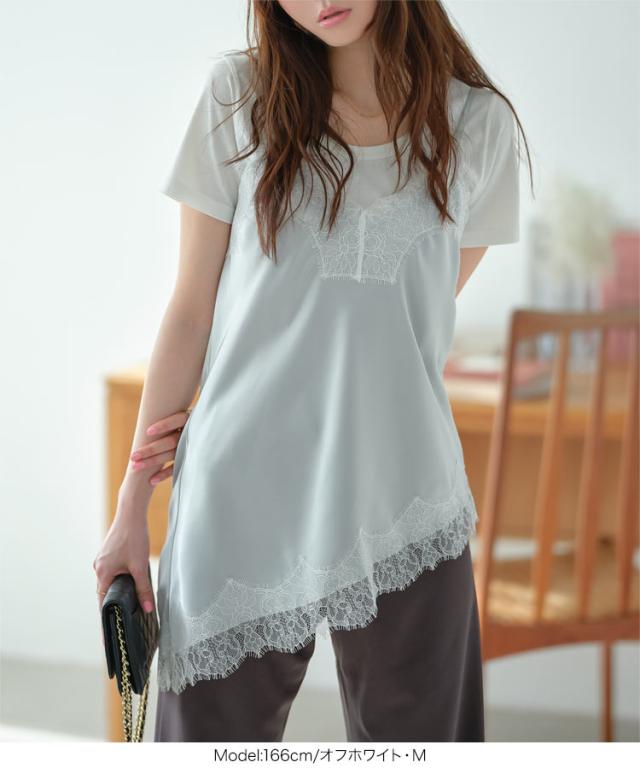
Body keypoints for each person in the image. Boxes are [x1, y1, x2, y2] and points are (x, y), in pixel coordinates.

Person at [94, 0, 532, 742]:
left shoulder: (478, 126)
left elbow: (405, 320)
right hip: (240, 495)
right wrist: (131, 506)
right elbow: (191, 312)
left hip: (407, 497)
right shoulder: (238, 98)